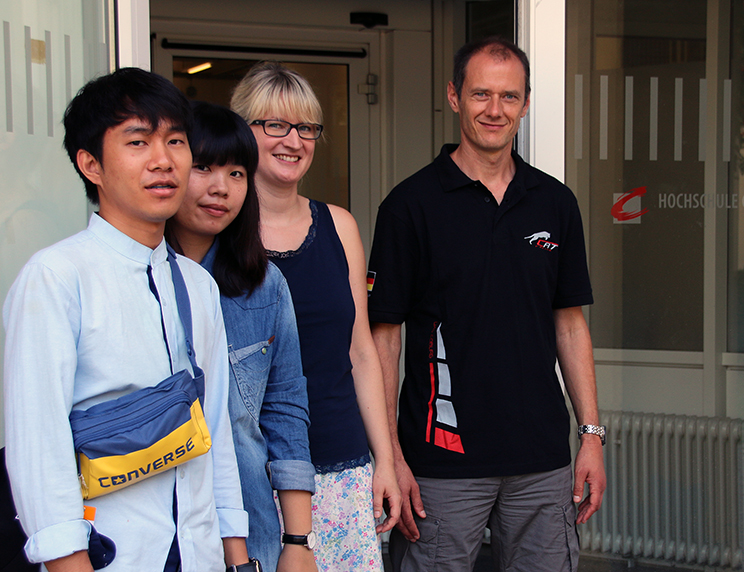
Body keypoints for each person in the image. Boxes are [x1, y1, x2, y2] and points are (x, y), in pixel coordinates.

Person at [368, 37, 607, 572]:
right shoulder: (410, 206)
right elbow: (384, 338)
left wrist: (590, 435)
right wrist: (393, 456)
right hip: (440, 462)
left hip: (542, 462)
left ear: (524, 104)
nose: (494, 110)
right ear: (454, 97)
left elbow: (570, 326)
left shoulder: (555, 202)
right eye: (480, 94)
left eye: (508, 96)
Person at [3, 68, 251, 572]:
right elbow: (38, 448)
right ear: (91, 164)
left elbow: (215, 433)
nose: (163, 161)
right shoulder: (55, 277)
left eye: (175, 141)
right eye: (138, 142)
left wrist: (236, 556)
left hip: (199, 554)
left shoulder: (198, 285)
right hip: (111, 554)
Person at [230, 62, 401, 571]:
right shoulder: (217, 236)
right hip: (256, 474)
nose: (293, 140)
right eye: (274, 125)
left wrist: (385, 461)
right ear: (244, 132)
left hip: (343, 465)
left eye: (305, 127)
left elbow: (362, 353)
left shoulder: (340, 225)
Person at [166, 101, 317, 572]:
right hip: (156, 530)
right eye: (204, 168)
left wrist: (297, 540)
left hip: (253, 533)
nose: (220, 188)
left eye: (236, 173)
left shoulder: (264, 285)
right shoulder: (135, 281)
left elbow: (286, 409)